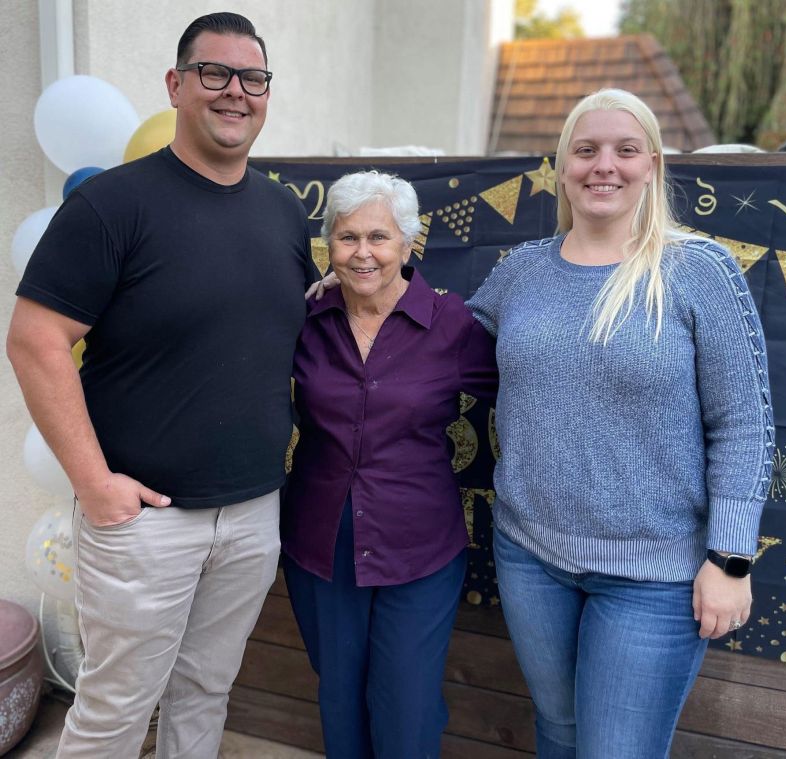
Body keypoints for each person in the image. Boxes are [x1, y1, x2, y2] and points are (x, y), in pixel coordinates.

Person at [7, 12, 316, 758]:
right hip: (144, 521)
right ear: (177, 85)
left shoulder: (281, 211)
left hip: (249, 511)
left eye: (253, 78)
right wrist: (96, 486)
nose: (234, 92)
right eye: (215, 73)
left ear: (267, 93)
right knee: (115, 709)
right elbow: (34, 341)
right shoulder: (112, 205)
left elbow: (272, 330)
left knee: (205, 693)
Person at [466, 89, 774, 759]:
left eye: (625, 150)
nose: (604, 165)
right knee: (560, 731)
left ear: (652, 166)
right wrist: (358, 290)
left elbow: (744, 424)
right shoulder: (522, 272)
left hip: (655, 574)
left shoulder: (698, 270)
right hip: (530, 555)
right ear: (563, 166)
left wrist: (730, 557)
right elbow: (436, 343)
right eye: (586, 149)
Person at [282, 170, 497, 759]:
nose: (363, 253)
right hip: (319, 543)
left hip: (419, 546)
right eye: (347, 238)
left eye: (379, 237)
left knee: (406, 706)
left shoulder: (451, 324)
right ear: (329, 246)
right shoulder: (305, 316)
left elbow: (527, 395)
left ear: (408, 243)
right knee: (340, 698)